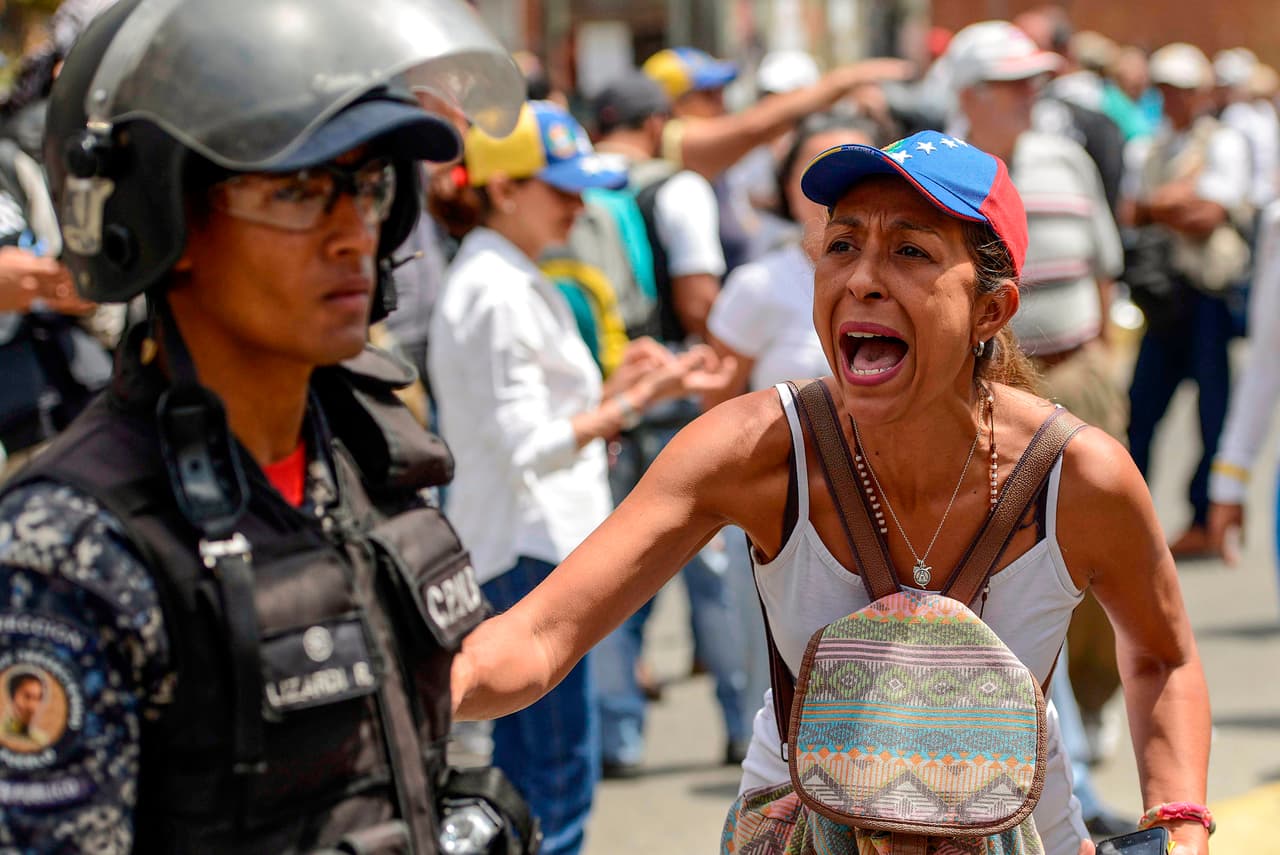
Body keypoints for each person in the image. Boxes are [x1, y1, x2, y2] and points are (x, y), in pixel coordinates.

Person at [450, 130, 1213, 855]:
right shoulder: (754, 450)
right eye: (841, 244)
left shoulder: (1074, 477)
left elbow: (1162, 656)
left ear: (992, 309)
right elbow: (541, 636)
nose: (862, 279)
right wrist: (405, 691)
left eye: (910, 250)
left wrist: (1178, 820)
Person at [0, 1, 538, 852]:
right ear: (164, 218)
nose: (351, 235)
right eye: (296, 191)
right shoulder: (71, 541)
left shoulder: (356, 459)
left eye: (367, 188)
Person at [426, 99, 722, 854]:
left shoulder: (507, 276)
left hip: (533, 543)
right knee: (552, 785)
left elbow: (538, 423)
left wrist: (630, 391)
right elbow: (531, 442)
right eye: (560, 189)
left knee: (544, 779)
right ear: (502, 188)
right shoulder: (495, 289)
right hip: (526, 552)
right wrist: (627, 400)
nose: (578, 205)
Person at [1125, 42, 1252, 559]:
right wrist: (1175, 200)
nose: (1173, 98)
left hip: (1207, 299)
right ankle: (1131, 521)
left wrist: (1160, 206)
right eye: (1167, 88)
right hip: (1164, 297)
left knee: (1213, 412)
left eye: (1181, 89)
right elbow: (1134, 211)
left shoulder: (1224, 142)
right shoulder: (1149, 148)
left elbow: (1211, 215)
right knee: (1141, 409)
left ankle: (1202, 516)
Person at [2, 670, 50, 749]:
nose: (32, 707)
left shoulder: (41, 741)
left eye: (38, 699)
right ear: (12, 697)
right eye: (27, 696)